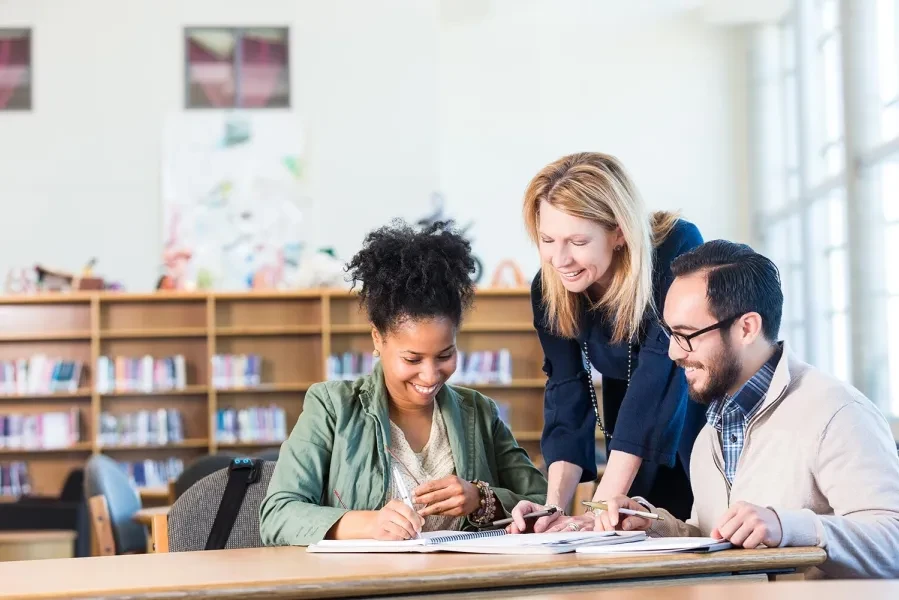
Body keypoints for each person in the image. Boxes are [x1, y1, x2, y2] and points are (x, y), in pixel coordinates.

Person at [596, 240, 899, 579]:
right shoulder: (710, 431)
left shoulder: (839, 413)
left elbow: (893, 540)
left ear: (747, 328)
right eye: (670, 334)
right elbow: (717, 539)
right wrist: (654, 526)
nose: (673, 353)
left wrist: (787, 526)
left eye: (685, 335)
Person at [259, 220, 547, 545]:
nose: (430, 375)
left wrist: (482, 501)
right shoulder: (332, 408)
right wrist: (367, 525)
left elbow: (544, 503)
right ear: (378, 339)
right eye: (412, 359)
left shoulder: (478, 412)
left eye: (445, 355)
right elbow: (278, 515)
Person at [510, 152, 706, 534]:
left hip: (696, 414)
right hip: (628, 425)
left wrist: (601, 505)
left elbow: (658, 375)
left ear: (619, 232)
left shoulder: (677, 248)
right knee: (625, 534)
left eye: (578, 241)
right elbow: (566, 394)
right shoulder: (549, 287)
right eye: (547, 239)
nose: (559, 259)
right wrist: (553, 507)